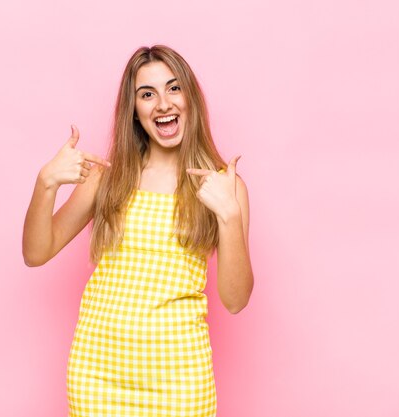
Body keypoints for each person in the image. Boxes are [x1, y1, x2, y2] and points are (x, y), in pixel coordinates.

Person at [22, 45, 253, 417]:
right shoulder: (108, 180)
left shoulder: (223, 187)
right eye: (147, 94)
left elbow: (235, 300)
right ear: (134, 111)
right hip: (97, 375)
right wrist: (45, 183)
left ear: (190, 98)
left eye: (173, 88)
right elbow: (36, 252)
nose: (163, 103)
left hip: (180, 379)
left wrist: (228, 215)